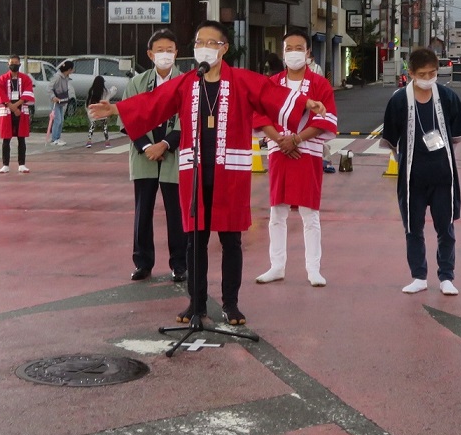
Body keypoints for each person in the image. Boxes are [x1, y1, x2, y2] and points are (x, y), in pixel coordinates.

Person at [89, 20, 327, 326]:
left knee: (231, 240)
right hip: (195, 170)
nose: (204, 47)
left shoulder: (241, 80)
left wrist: (306, 102)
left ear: (224, 48)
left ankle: (231, 303)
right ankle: (196, 303)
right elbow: (155, 102)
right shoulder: (188, 81)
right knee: (195, 240)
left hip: (231, 171)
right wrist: (117, 110)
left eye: (211, 43)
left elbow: (272, 95)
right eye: (199, 42)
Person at [381, 47, 461, 296]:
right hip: (412, 177)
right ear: (410, 73)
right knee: (413, 227)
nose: (428, 77)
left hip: (443, 175)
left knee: (446, 227)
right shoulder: (399, 100)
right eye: (422, 73)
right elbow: (390, 140)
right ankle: (419, 275)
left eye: (433, 72)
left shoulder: (448, 97)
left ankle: (446, 276)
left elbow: (456, 135)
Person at [253, 29, 338, 287]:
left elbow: (326, 119)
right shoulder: (273, 82)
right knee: (276, 212)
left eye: (298, 48)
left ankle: (313, 268)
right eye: (288, 48)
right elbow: (260, 116)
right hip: (279, 151)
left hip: (307, 152)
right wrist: (281, 140)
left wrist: (297, 139)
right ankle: (276, 266)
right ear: (282, 52)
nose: (293, 53)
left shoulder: (320, 84)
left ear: (308, 52)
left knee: (309, 212)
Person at [123, 29, 187, 283]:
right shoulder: (137, 84)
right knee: (142, 211)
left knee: (176, 212)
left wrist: (165, 144)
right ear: (150, 54)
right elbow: (128, 119)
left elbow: (189, 119)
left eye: (169, 50)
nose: (165, 55)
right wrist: (145, 147)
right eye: (159, 50)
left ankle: (180, 264)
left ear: (177, 53)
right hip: (144, 156)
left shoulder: (186, 82)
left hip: (174, 155)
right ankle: (143, 262)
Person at [0, 55, 34, 174]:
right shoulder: (2, 79)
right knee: (6, 139)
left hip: (21, 109)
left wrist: (17, 106)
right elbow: (1, 95)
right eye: (12, 62)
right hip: (7, 110)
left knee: (21, 138)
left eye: (16, 63)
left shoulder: (26, 78)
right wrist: (12, 107)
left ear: (20, 64)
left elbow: (28, 94)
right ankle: (5, 165)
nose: (14, 65)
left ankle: (22, 164)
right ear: (8, 64)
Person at [49, 60, 74, 146]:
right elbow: (49, 88)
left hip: (61, 100)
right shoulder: (57, 77)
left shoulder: (65, 77)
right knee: (57, 120)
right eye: (72, 69)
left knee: (61, 120)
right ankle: (54, 139)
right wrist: (53, 97)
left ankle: (57, 137)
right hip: (55, 101)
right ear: (69, 69)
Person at [85, 76, 111, 148]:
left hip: (93, 111)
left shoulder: (91, 90)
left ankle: (89, 141)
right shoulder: (105, 91)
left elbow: (87, 102)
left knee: (92, 126)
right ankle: (107, 142)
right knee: (104, 126)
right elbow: (107, 98)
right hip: (101, 111)